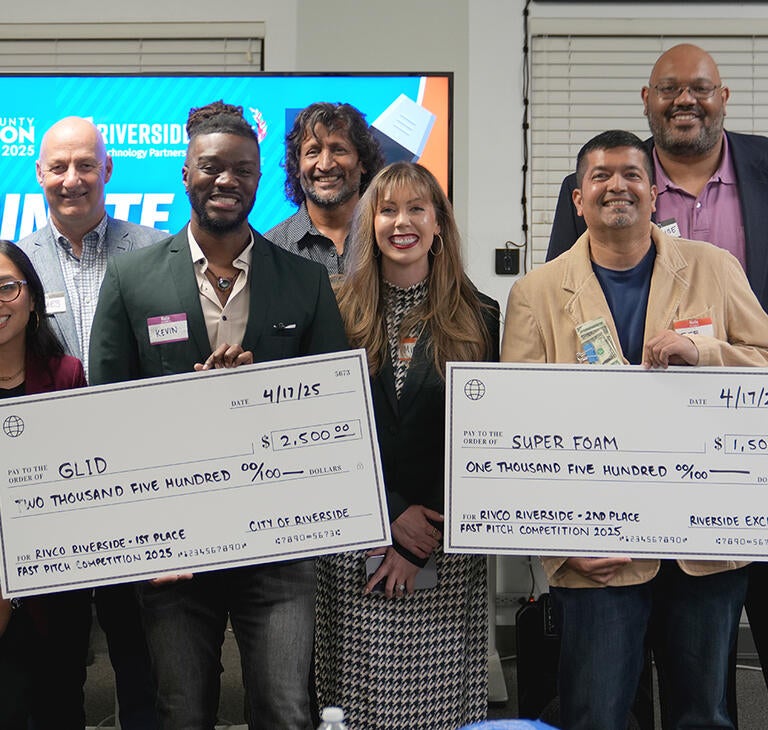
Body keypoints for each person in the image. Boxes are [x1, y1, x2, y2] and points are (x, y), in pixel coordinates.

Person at [89, 100, 348, 730]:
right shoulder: (132, 278)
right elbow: (106, 414)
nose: (226, 180)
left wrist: (258, 395)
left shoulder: (304, 281)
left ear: (259, 179)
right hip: (174, 543)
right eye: (211, 167)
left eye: (242, 169)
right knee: (182, 710)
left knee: (286, 709)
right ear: (186, 174)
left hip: (279, 539)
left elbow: (335, 407)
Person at [502, 130, 768, 730]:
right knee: (597, 715)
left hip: (702, 544)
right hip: (598, 549)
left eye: (631, 174)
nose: (616, 186)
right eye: (600, 176)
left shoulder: (715, 269)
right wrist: (561, 543)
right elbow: (519, 428)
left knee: (703, 716)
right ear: (578, 199)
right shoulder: (536, 294)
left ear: (653, 193)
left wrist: (704, 353)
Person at [315, 162, 499, 729]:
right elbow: (325, 430)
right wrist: (391, 512)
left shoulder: (480, 316)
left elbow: (483, 442)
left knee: (435, 705)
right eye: (388, 210)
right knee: (357, 704)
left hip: (444, 545)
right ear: (369, 224)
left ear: (438, 223)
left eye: (417, 209)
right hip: (356, 539)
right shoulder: (333, 310)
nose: (402, 222)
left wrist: (422, 536)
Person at [17, 115, 166, 730]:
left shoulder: (156, 250)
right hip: (53, 491)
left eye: (85, 165)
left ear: (108, 168)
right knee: (59, 657)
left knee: (142, 652)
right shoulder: (15, 265)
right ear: (39, 174)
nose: (72, 179)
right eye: (59, 167)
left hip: (140, 478)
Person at [546, 44, 768, 312]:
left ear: (724, 97)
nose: (685, 100)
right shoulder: (591, 190)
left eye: (701, 88)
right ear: (646, 99)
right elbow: (558, 295)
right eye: (668, 88)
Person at [0, 240, 89, 729]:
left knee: (60, 708)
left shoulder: (65, 374)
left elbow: (85, 478)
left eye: (7, 288)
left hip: (55, 589)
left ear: (32, 297)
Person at [266, 101, 384, 275]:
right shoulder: (270, 252)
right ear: (297, 166)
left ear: (363, 162)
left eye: (339, 150)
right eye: (313, 152)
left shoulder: (390, 238)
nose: (325, 165)